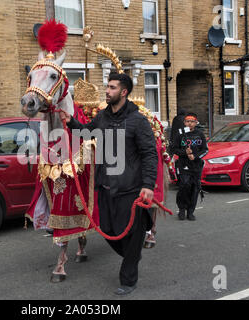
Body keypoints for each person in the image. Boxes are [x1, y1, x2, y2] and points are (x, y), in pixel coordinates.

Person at [59, 73, 158, 295]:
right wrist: (71, 121)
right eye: (107, 86)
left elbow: (150, 154)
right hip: (105, 185)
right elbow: (86, 133)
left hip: (130, 188)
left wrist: (148, 185)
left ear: (123, 92)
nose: (107, 90)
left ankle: (128, 278)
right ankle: (132, 255)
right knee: (107, 230)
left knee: (132, 233)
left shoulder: (137, 120)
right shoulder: (103, 117)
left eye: (112, 87)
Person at [171, 112, 208, 221]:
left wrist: (195, 156)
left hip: (196, 166)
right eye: (187, 121)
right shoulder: (180, 134)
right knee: (184, 185)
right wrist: (184, 153)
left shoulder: (200, 134)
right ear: (184, 122)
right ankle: (182, 209)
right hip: (183, 165)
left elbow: (205, 150)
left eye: (192, 121)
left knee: (195, 188)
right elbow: (173, 149)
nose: (190, 123)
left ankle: (190, 211)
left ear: (196, 123)